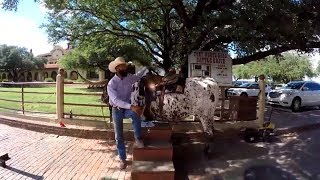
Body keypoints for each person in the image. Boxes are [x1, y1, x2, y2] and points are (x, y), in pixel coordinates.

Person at [107, 57, 148, 170]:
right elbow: (115, 101)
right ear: (117, 68)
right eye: (123, 67)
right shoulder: (111, 84)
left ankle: (138, 138)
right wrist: (131, 106)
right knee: (119, 136)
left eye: (125, 66)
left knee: (136, 114)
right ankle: (122, 158)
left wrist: (147, 67)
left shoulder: (129, 78)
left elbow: (138, 75)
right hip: (117, 110)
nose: (125, 68)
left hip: (127, 107)